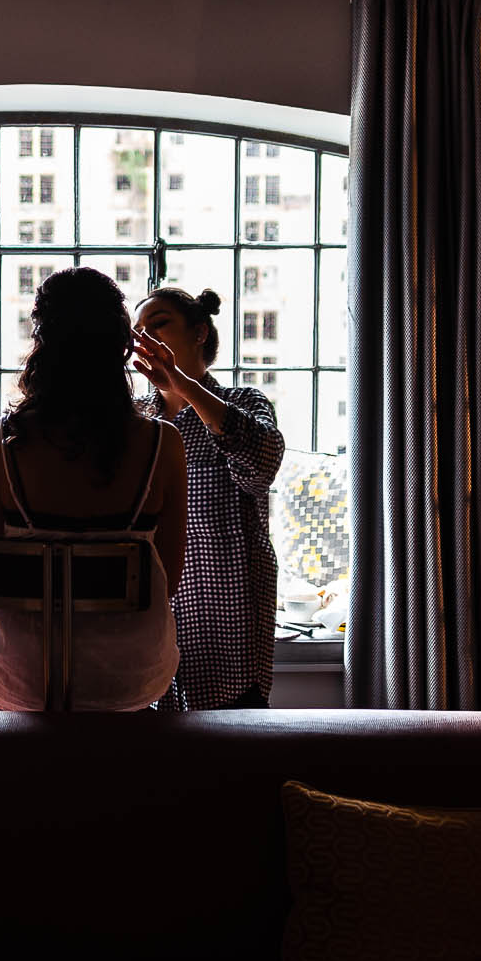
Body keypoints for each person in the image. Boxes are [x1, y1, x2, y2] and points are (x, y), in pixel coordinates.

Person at [0, 267, 188, 711]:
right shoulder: (163, 444)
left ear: (42, 342)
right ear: (121, 344)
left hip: (22, 675)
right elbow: (169, 580)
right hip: (130, 675)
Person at [132, 287, 285, 710]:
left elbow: (261, 465)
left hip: (228, 615)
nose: (147, 337)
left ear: (199, 332)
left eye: (159, 324)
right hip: (151, 613)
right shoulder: (136, 419)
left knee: (231, 735)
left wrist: (182, 384)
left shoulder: (243, 402)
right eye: (139, 330)